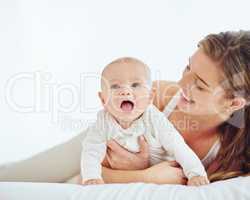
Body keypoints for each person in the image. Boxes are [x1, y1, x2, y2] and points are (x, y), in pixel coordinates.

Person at [0, 31, 249, 185]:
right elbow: (91, 164)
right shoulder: (158, 97)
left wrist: (138, 170)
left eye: (200, 85)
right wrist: (145, 176)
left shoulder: (232, 154)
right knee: (20, 174)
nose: (182, 83)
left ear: (235, 103)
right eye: (187, 67)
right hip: (93, 153)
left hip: (95, 175)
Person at [81, 57, 208, 186]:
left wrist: (195, 173)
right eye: (115, 86)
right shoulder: (103, 121)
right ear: (103, 99)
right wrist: (91, 177)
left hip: (163, 171)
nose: (125, 92)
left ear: (150, 97)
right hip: (124, 173)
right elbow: (91, 150)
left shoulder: (155, 119)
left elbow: (178, 146)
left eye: (135, 85)